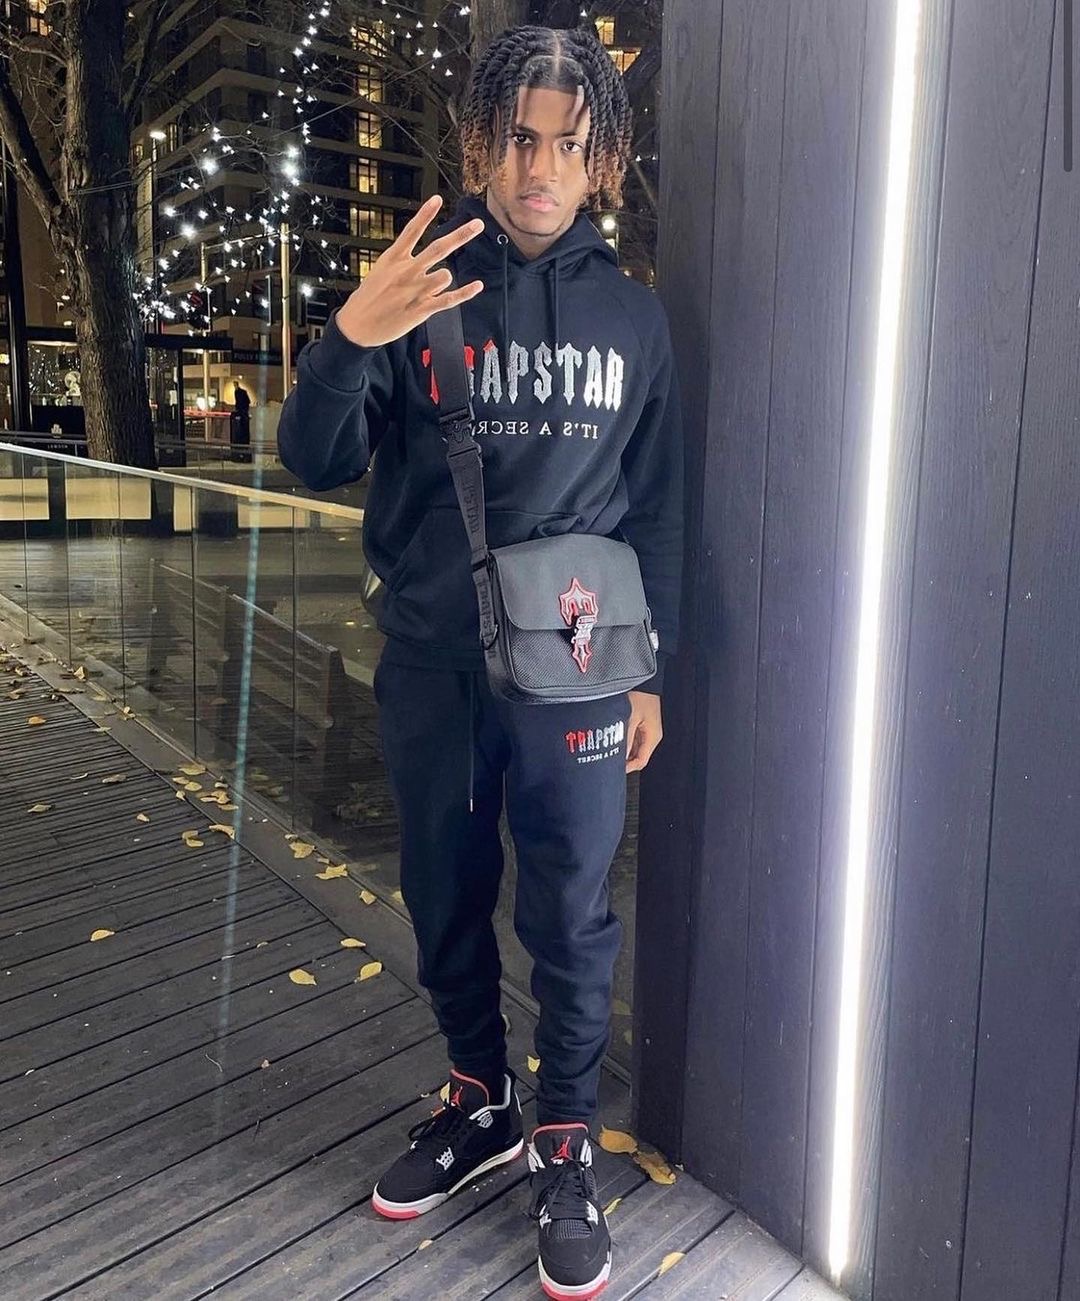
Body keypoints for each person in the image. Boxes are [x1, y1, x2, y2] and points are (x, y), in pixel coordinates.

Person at [278, 24, 683, 1300]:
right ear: (477, 143)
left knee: (570, 910)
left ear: (601, 157)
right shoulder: (420, 287)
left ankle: (564, 1134)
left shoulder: (634, 318)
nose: (538, 167)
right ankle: (482, 1096)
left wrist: (652, 671)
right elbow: (312, 459)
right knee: (443, 893)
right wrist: (349, 335)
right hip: (435, 662)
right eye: (517, 138)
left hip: (582, 667)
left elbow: (658, 506)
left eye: (567, 143)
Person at [231, 381, 251, 461]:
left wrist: (239, 409)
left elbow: (240, 402)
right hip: (243, 412)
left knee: (241, 432)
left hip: (242, 412)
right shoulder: (241, 392)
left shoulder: (238, 392)